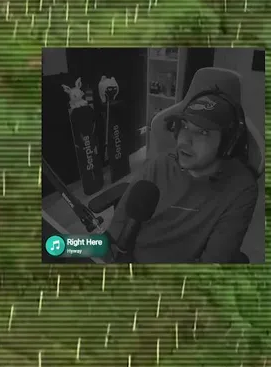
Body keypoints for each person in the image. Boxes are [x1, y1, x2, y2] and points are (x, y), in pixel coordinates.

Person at [101, 74, 259, 263]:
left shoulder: (240, 189)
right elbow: (114, 236)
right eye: (184, 126)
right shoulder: (159, 165)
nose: (185, 140)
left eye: (202, 132)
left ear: (228, 144)